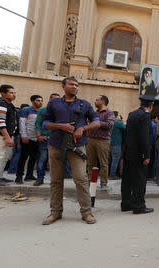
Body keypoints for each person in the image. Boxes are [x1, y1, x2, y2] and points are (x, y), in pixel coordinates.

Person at [41, 76, 100, 225]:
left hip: (77, 146)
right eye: (71, 84)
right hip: (56, 145)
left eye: (77, 85)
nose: (75, 87)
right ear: (63, 87)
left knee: (81, 179)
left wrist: (82, 128)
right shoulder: (54, 103)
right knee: (55, 180)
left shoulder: (84, 104)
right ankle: (55, 212)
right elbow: (45, 123)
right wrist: (61, 126)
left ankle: (86, 212)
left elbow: (96, 122)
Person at [120, 97, 154, 214]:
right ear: (151, 106)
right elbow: (144, 138)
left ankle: (126, 204)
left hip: (129, 152)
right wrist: (146, 155)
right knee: (140, 180)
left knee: (127, 180)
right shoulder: (145, 116)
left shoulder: (132, 114)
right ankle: (139, 206)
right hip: (139, 154)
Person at [86, 95, 115, 190]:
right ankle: (90, 181)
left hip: (103, 141)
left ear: (102, 101)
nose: (95, 101)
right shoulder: (94, 113)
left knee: (103, 163)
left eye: (96, 100)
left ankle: (103, 183)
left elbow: (110, 124)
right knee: (90, 163)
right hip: (91, 139)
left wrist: (97, 123)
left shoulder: (109, 113)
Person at [14, 95, 43, 184]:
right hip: (27, 138)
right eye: (38, 100)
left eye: (42, 100)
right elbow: (22, 123)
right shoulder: (26, 110)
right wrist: (24, 136)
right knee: (23, 157)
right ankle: (19, 177)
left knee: (33, 158)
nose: (40, 102)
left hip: (37, 138)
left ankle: (29, 175)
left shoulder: (42, 111)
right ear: (32, 101)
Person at [34, 93, 60, 186]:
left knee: (56, 161)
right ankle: (40, 178)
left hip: (57, 140)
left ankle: (55, 181)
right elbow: (38, 124)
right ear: (50, 100)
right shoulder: (42, 110)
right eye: (54, 99)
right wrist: (38, 136)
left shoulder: (61, 111)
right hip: (44, 139)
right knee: (42, 159)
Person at [0, 84, 17, 186]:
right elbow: (0, 122)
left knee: (4, 157)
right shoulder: (0, 104)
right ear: (3, 93)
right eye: (11, 93)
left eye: (14, 92)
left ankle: (0, 176)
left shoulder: (9, 104)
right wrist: (7, 136)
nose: (14, 95)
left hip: (5, 135)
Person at [109, 111, 126, 179]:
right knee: (115, 159)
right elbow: (125, 127)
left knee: (111, 159)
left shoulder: (110, 122)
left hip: (110, 142)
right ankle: (112, 175)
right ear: (116, 116)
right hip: (117, 143)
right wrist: (123, 122)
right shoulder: (117, 122)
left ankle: (110, 173)